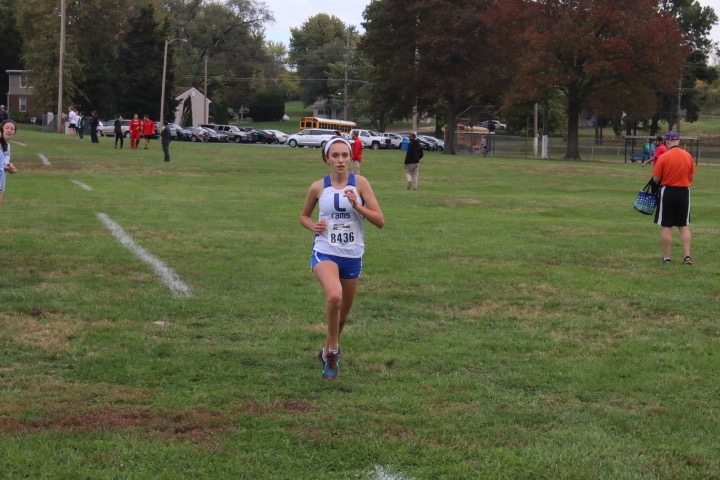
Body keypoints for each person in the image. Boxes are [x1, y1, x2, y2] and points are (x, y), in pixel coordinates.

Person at [299, 138, 385, 380]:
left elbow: (379, 220)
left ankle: (326, 350)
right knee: (334, 296)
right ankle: (334, 352)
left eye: (344, 155)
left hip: (352, 254)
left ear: (350, 158)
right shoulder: (318, 187)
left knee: (343, 315)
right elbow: (304, 216)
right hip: (325, 251)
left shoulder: (361, 183)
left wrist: (357, 206)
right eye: (335, 155)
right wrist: (312, 225)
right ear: (327, 158)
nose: (340, 160)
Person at [651, 130, 696, 265]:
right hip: (683, 192)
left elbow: (656, 178)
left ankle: (667, 258)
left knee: (666, 225)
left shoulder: (664, 156)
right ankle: (687, 256)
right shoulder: (688, 156)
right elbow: (691, 176)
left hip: (668, 191)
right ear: (679, 141)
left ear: (668, 141)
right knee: (683, 225)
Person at [0, 119, 18, 207]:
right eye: (6, 128)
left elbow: (4, 162)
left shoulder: (7, 146)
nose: (9, 130)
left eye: (12, 129)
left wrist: (9, 166)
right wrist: (5, 168)